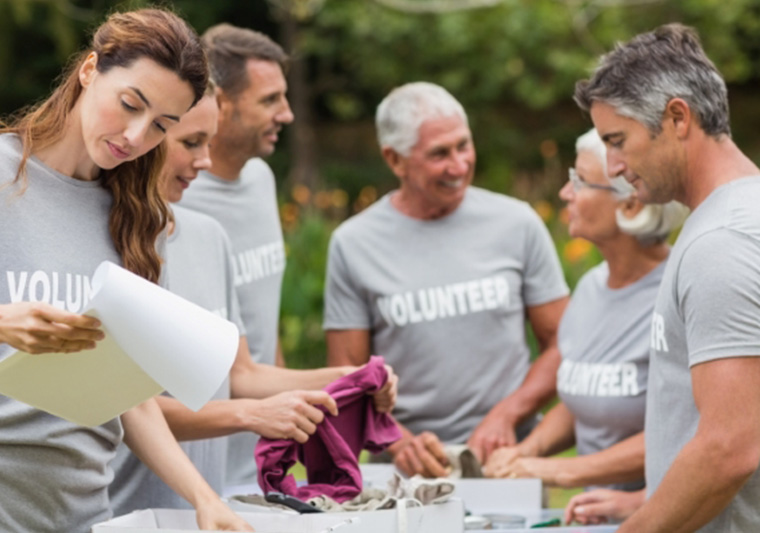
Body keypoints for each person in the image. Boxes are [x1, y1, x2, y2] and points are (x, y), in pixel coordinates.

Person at [0, 9, 251, 532]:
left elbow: (130, 396)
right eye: (130, 105)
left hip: (85, 515)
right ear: (90, 69)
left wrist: (205, 499)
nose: (137, 136)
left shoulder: (133, 217)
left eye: (162, 126)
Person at [109, 81, 397, 515]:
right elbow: (123, 406)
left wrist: (347, 378)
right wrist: (247, 415)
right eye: (191, 142)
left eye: (208, 142)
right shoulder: (105, 248)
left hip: (208, 510)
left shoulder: (209, 238)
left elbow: (240, 375)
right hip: (128, 513)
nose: (205, 160)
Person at [324, 81, 570, 477]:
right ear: (395, 159)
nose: (458, 166)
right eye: (439, 154)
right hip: (405, 471)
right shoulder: (354, 244)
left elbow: (563, 341)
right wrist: (398, 441)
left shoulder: (517, 223)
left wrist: (510, 413)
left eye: (463, 146)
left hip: (506, 460)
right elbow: (346, 373)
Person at [569, 23, 760, 532]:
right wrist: (648, 501)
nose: (612, 166)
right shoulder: (737, 215)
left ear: (678, 117)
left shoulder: (722, 241)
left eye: (618, 140)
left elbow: (729, 447)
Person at [484, 129, 687, 492]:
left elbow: (688, 431)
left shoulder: (679, 292)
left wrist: (557, 472)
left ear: (631, 204)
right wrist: (526, 451)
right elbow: (586, 400)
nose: (565, 194)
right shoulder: (591, 288)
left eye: (580, 181)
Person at [177, 23, 295, 487]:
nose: (286, 114)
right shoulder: (177, 194)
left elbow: (264, 323)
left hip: (262, 454)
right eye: (269, 100)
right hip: (196, 464)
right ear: (220, 103)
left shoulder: (262, 179)